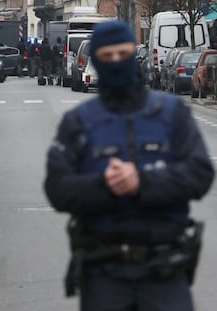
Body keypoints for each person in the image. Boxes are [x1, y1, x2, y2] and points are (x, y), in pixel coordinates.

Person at [44, 20, 214, 311]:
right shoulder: (79, 122)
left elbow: (199, 174)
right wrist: (103, 185)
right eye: (107, 57)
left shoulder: (170, 113)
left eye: (123, 54)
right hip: (103, 270)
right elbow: (57, 188)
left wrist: (143, 182)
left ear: (134, 55)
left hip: (163, 268)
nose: (116, 63)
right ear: (95, 60)